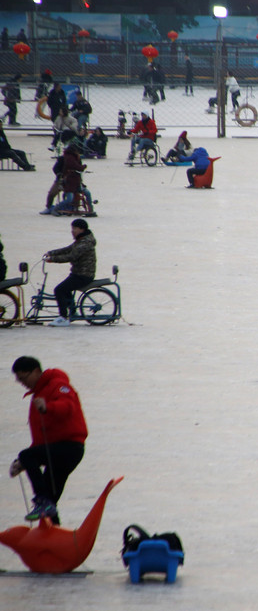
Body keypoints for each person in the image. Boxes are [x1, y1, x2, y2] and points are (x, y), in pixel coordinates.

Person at [9, 356, 88, 524]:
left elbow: (68, 407)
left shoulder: (58, 385)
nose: (22, 382)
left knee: (27, 456)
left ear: (36, 371)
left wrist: (48, 407)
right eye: (19, 380)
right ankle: (55, 535)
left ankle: (42, 502)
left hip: (69, 447)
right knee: (50, 498)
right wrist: (22, 463)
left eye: (23, 378)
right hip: (57, 449)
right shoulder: (38, 395)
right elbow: (42, 436)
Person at [43, 218, 96, 326]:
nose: (72, 231)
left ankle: (63, 317)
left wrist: (52, 259)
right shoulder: (81, 240)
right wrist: (51, 253)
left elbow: (71, 256)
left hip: (83, 275)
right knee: (66, 288)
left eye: (74, 228)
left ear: (82, 229)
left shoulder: (85, 243)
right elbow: (68, 249)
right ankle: (72, 311)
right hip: (78, 273)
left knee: (59, 290)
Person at [51, 144, 93, 215]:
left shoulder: (75, 157)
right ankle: (55, 209)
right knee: (69, 198)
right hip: (69, 183)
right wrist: (83, 167)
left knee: (87, 193)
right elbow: (76, 166)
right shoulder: (69, 158)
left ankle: (91, 210)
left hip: (77, 182)